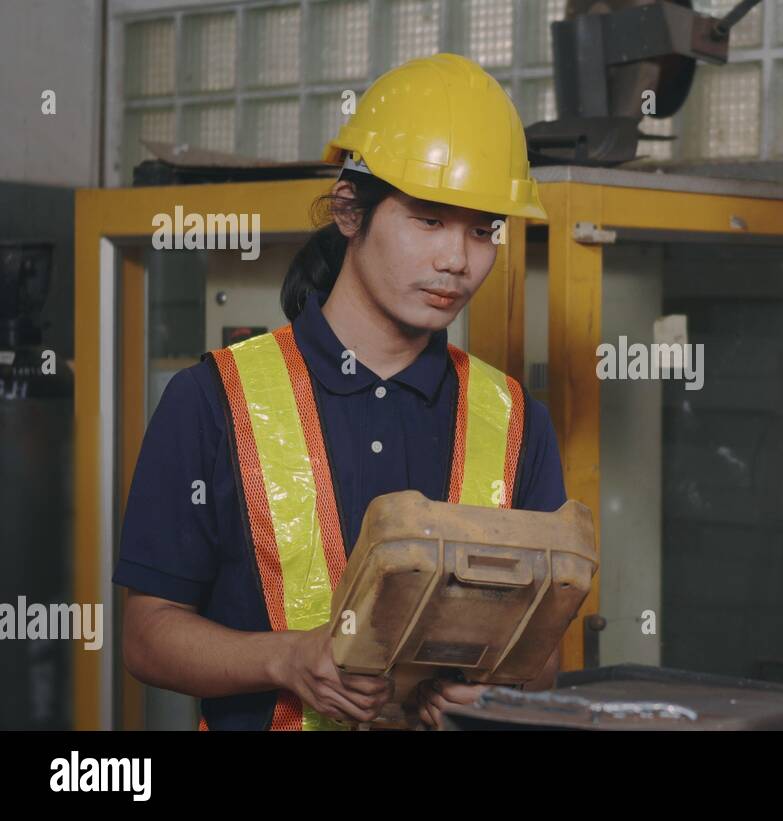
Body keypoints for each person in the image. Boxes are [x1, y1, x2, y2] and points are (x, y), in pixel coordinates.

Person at [114, 53, 564, 730]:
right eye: (430, 219)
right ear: (351, 212)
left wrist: (501, 690)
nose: (458, 260)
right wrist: (285, 659)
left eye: (482, 229)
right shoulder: (212, 400)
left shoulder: (518, 421)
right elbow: (146, 634)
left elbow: (545, 654)